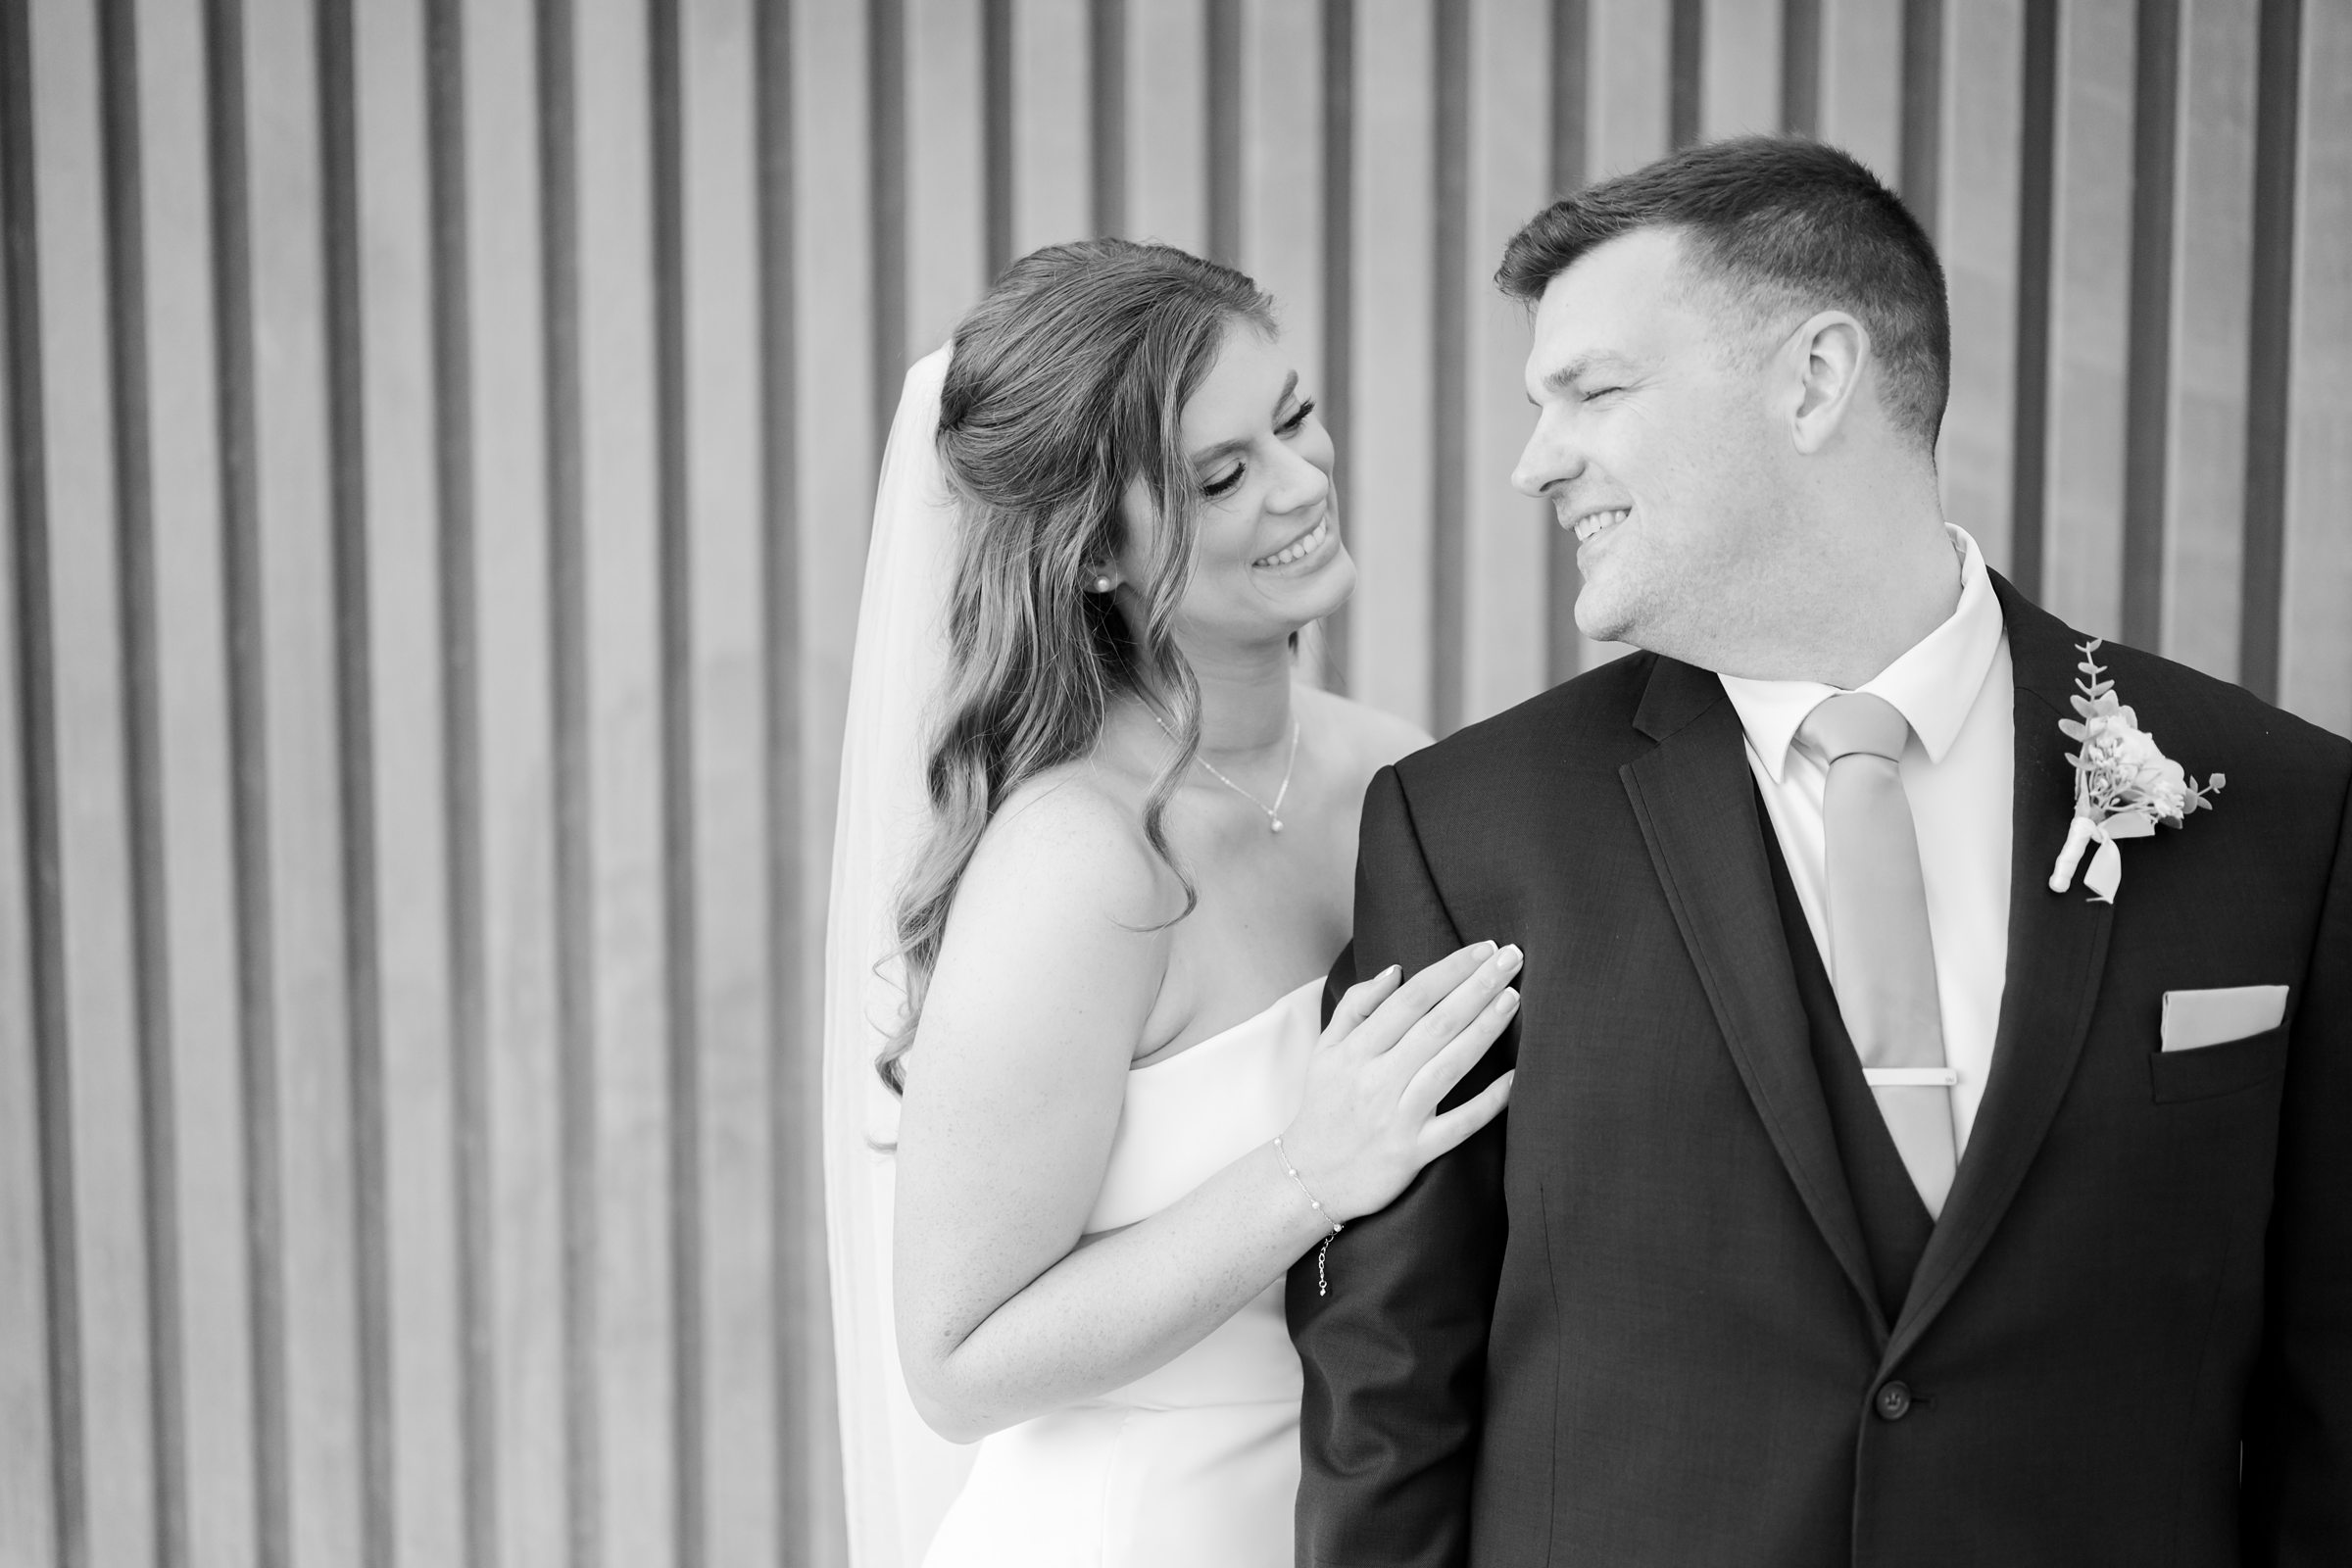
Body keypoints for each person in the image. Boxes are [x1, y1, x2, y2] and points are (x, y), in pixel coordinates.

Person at [1290, 135, 2352, 1567]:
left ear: (1815, 378)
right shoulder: (1470, 831)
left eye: (1593, 391)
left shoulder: (2281, 806)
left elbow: (2329, 1402)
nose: (1537, 461)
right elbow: (1389, 1392)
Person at [821, 238, 1518, 1568]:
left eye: (1295, 416)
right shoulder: (1079, 865)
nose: (1305, 483)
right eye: (1222, 475)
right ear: (1091, 559)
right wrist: (1308, 1171)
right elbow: (957, 1361)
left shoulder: (1391, 771)